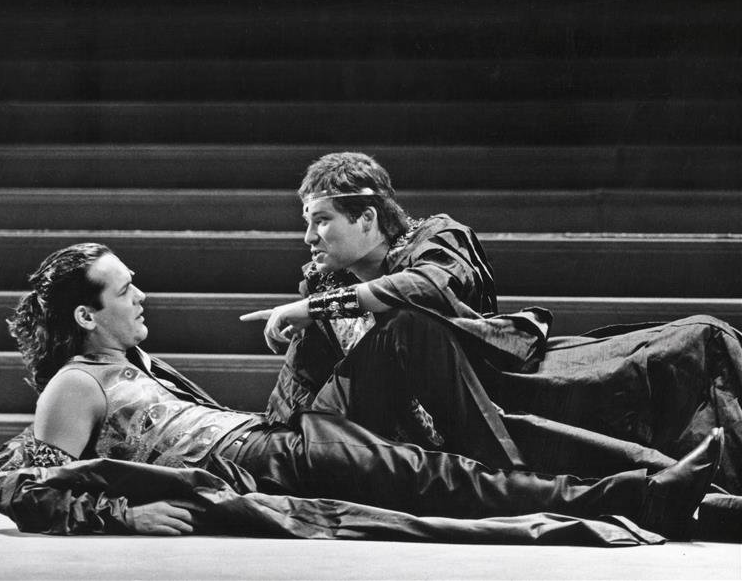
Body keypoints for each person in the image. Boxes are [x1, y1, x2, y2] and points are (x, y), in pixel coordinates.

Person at [0, 242, 723, 543]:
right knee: (448, 482)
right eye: (124, 288)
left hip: (278, 442)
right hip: (263, 463)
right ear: (86, 316)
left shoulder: (132, 363)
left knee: (443, 452)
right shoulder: (75, 385)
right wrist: (126, 515)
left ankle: (642, 488)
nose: (141, 294)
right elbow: (19, 485)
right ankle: (641, 496)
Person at [240, 152, 742, 498]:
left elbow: (429, 288)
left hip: (484, 393)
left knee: (692, 343)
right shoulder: (323, 286)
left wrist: (315, 308)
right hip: (401, 440)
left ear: (367, 218)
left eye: (321, 220)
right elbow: (300, 391)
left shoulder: (434, 238)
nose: (308, 237)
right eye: (307, 222)